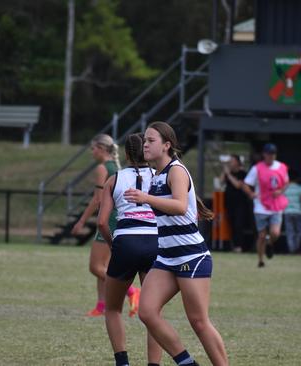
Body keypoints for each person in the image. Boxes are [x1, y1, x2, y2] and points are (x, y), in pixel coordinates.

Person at [125, 121, 228, 366]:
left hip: (191, 256)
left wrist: (145, 198)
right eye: (145, 140)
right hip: (167, 257)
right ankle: (186, 362)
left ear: (166, 145)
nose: (145, 145)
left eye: (151, 141)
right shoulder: (156, 175)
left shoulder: (176, 171)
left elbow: (181, 206)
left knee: (199, 321)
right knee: (147, 312)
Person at [97, 133, 163, 366]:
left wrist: (113, 244)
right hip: (154, 242)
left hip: (126, 242)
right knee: (153, 312)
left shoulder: (114, 179)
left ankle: (122, 362)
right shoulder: (160, 176)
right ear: (146, 151)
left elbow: (102, 222)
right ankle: (154, 364)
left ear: (125, 154)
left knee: (113, 308)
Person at [71, 134, 139, 317]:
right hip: (118, 217)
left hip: (108, 218)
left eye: (93, 148)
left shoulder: (102, 168)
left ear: (101, 149)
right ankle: (101, 306)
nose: (92, 152)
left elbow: (97, 199)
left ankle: (132, 291)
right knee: (104, 266)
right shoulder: (116, 166)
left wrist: (81, 221)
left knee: (95, 267)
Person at [241, 143, 289, 268]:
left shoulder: (281, 167)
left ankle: (269, 243)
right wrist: (251, 194)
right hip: (261, 206)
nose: (270, 157)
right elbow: (245, 184)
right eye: (268, 154)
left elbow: (286, 183)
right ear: (264, 155)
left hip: (276, 204)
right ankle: (261, 260)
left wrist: (280, 191)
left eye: (272, 154)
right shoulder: (257, 168)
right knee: (261, 235)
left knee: (275, 232)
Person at [283, 170, 301, 254]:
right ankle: (296, 248)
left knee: (290, 231)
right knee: (298, 231)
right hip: (298, 212)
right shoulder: (299, 188)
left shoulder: (285, 188)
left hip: (287, 212)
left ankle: (291, 249)